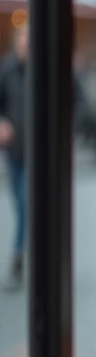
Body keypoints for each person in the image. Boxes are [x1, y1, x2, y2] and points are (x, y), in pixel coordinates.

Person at [0, 26, 28, 291]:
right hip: (14, 151)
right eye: (21, 39)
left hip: (38, 154)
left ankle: (18, 254)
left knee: (25, 201)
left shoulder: (46, 69)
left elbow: (74, 100)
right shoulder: (7, 70)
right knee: (21, 205)